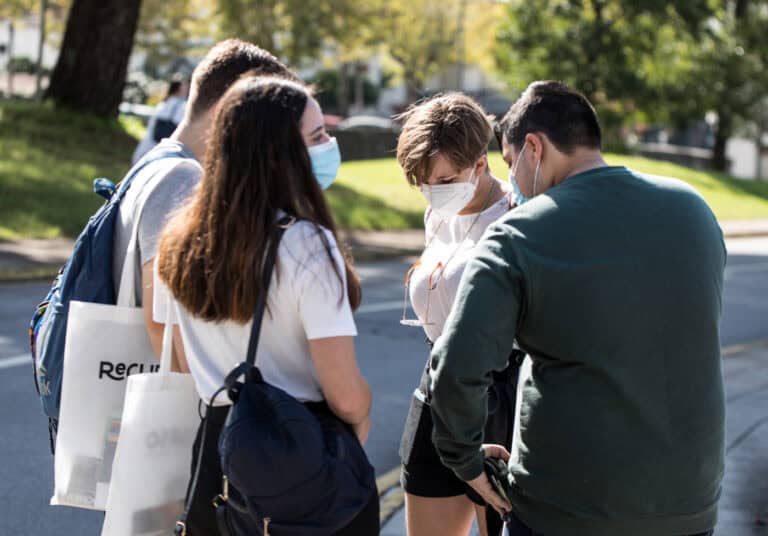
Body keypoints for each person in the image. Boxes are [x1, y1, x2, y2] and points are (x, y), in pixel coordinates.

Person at [427, 80, 726, 536]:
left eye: (510, 164)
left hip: (564, 509)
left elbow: (456, 370)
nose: (513, 182)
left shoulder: (518, 236)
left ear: (534, 148)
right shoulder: (694, 211)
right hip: (689, 505)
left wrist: (465, 461)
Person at [154, 76, 378, 535]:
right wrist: (360, 418)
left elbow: (180, 363)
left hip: (217, 454)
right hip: (302, 454)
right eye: (317, 136)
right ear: (279, 154)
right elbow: (344, 392)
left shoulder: (178, 240)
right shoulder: (306, 244)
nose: (329, 145)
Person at [113, 39, 298, 363]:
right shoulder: (182, 178)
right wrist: (201, 403)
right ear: (226, 107)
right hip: (156, 397)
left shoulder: (156, 162)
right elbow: (162, 321)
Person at [395, 93, 520, 536]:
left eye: (445, 179)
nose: (434, 191)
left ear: (480, 164)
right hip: (435, 390)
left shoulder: (514, 218)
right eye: (424, 182)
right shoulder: (440, 212)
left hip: (495, 396)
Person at [131, 76, 189, 165]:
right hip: (158, 143)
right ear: (178, 89)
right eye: (184, 86)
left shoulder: (165, 101)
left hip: (149, 140)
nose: (187, 89)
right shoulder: (180, 105)